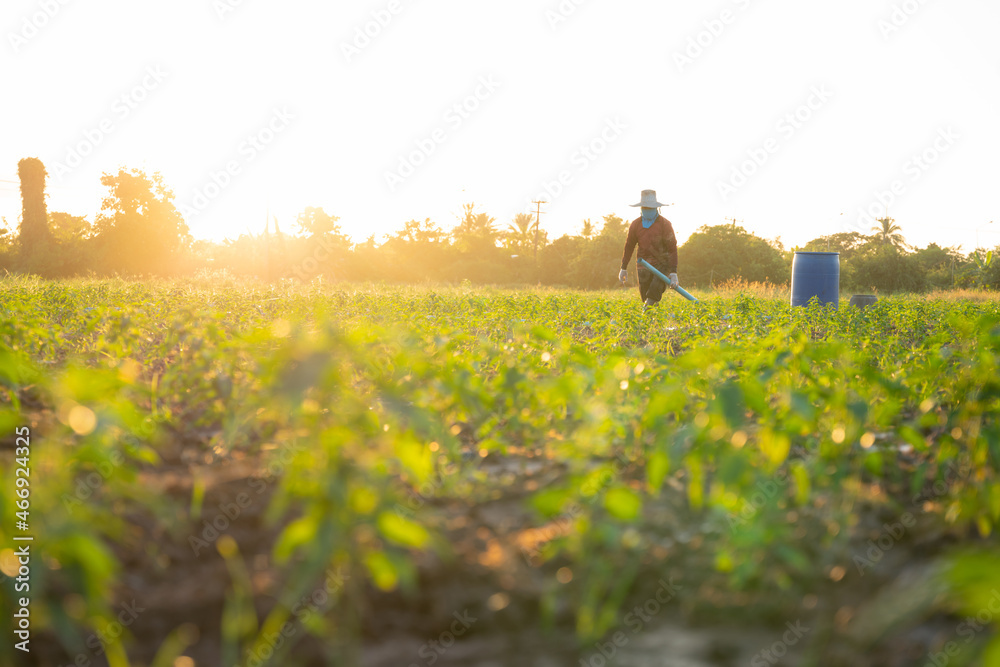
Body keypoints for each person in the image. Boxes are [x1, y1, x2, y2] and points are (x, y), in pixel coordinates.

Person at [618, 190, 679, 307]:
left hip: (662, 263)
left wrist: (673, 272)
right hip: (643, 264)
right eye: (645, 208)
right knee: (646, 295)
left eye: (650, 208)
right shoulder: (636, 224)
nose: (647, 210)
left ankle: (645, 314)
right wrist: (623, 268)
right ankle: (653, 320)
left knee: (654, 290)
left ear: (656, 208)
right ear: (641, 208)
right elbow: (629, 246)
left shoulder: (665, 224)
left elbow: (672, 248)